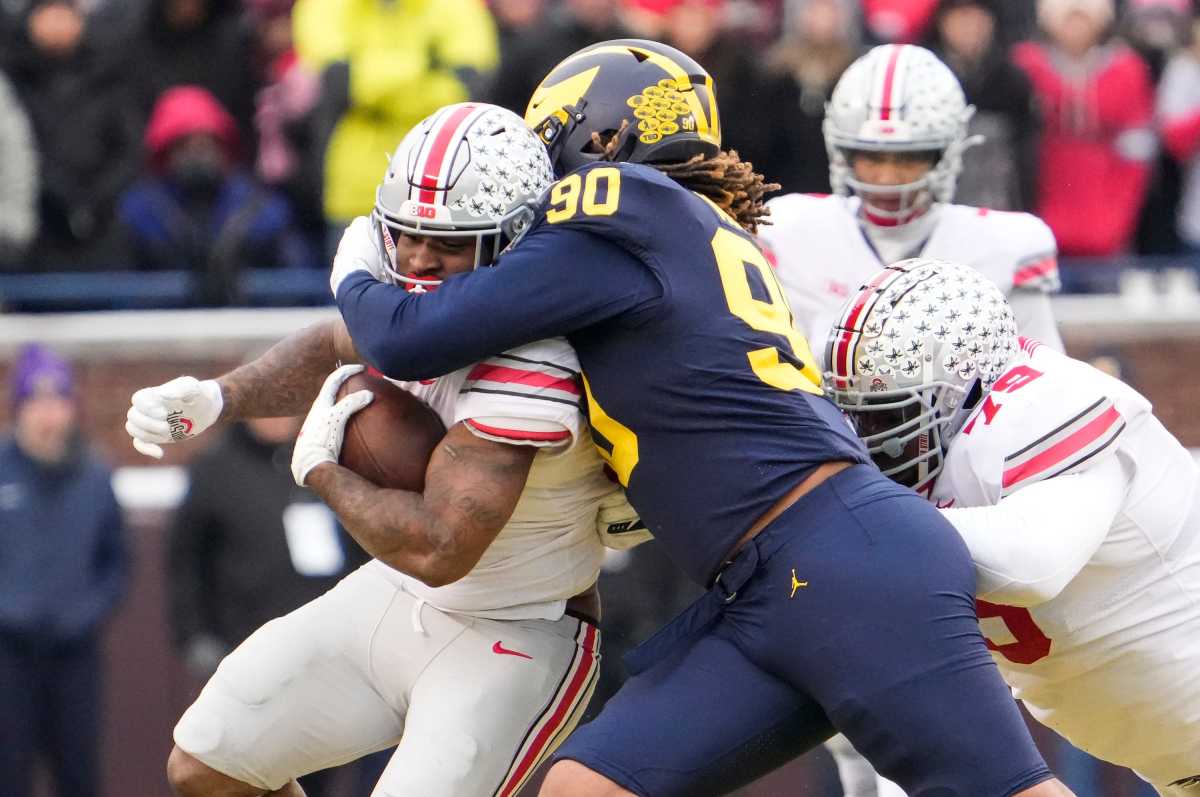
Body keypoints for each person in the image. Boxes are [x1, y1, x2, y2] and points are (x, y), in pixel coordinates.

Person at [324, 39, 1070, 796]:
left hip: (842, 561)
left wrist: (357, 258)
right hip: (775, 579)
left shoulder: (613, 214)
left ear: (592, 138)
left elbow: (406, 336)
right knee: (586, 786)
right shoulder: (680, 229)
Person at [130, 103, 646, 797]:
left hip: (517, 632)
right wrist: (220, 398)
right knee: (207, 764)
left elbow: (441, 549)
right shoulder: (410, 287)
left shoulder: (538, 360)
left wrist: (323, 471)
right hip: (391, 595)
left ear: (514, 245)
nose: (418, 260)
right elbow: (333, 341)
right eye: (405, 235)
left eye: (450, 244)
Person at [826, 257, 1200, 796]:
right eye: (854, 417)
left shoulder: (1044, 407)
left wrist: (858, 520)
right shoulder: (937, 477)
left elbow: (1031, 563)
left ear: (964, 391)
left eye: (884, 418)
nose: (867, 440)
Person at [759, 43, 1062, 363]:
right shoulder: (790, 232)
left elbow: (1040, 379)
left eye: (907, 158)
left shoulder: (1004, 246)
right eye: (872, 157)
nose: (888, 178)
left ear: (944, 153)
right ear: (843, 153)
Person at [0, 344, 129, 797]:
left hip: (75, 655)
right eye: (36, 401)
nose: (48, 414)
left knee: (78, 772)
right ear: (18, 408)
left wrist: (87, 613)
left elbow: (115, 561)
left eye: (58, 400)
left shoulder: (93, 475)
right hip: (8, 655)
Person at [117, 85, 318, 305]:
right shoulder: (141, 211)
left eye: (205, 143)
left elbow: (297, 280)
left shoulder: (259, 207)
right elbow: (120, 290)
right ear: (165, 153)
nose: (197, 154)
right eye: (184, 145)